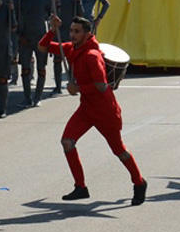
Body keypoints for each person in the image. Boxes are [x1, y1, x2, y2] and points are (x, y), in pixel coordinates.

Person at [38, 15, 147, 205]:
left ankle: (139, 182)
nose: (72, 34)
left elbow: (103, 86)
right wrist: (52, 30)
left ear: (87, 34)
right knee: (67, 142)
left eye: (76, 31)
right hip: (87, 109)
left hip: (106, 112)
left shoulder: (92, 56)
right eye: (71, 30)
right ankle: (80, 187)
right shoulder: (73, 49)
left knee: (119, 151)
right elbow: (42, 47)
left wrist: (77, 88)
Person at [16, 0, 53, 107]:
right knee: (25, 70)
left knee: (41, 69)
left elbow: (52, 14)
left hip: (41, 39)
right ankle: (27, 97)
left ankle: (38, 97)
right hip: (25, 39)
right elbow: (15, 17)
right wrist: (19, 35)